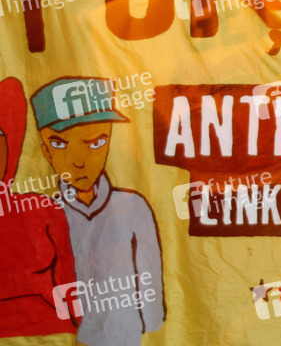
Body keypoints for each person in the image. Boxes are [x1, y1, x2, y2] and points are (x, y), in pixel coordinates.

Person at [31, 77, 165, 346]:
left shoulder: (133, 206)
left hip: (126, 333)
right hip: (69, 335)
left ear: (110, 142)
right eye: (59, 144)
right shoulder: (46, 215)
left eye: (95, 143)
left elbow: (148, 271)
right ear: (46, 152)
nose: (79, 161)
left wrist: (152, 326)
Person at [0, 76, 78, 339]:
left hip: (51, 333)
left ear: (11, 145)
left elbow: (68, 279)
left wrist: (83, 328)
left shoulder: (42, 210)